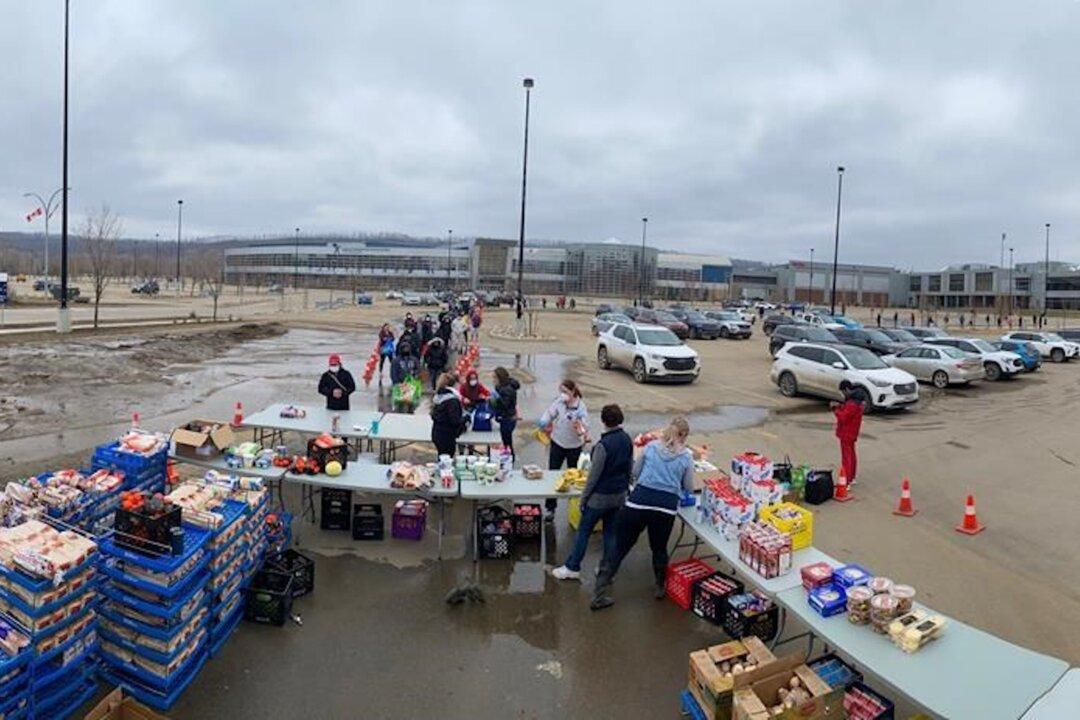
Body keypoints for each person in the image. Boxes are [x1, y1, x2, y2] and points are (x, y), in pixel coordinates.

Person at [590, 416, 694, 610]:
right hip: (665, 508)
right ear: (684, 435)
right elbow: (688, 486)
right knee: (659, 548)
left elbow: (636, 472)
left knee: (620, 547)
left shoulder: (651, 447)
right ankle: (659, 586)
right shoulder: (686, 456)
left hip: (638, 502)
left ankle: (599, 591)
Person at [552, 404, 632, 581]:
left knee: (583, 532)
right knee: (610, 533)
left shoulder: (603, 446)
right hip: (618, 496)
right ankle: (607, 570)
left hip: (600, 497)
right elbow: (629, 468)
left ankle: (573, 567)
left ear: (603, 421)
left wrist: (584, 498)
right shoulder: (627, 440)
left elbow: (593, 476)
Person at [539, 380, 589, 522]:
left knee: (574, 479)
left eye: (566, 392)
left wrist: (580, 427)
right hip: (557, 443)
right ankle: (550, 508)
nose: (563, 395)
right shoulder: (559, 402)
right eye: (561, 391)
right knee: (553, 475)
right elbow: (549, 413)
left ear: (573, 392)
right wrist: (544, 422)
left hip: (574, 447)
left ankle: (574, 507)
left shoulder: (581, 407)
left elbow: (585, 428)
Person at [831, 385, 864, 486]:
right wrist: (840, 407)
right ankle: (852, 477)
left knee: (846, 457)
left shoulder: (851, 404)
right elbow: (848, 413)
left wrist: (835, 409)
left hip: (846, 432)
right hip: (853, 432)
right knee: (852, 455)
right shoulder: (858, 404)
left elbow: (843, 417)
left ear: (847, 390)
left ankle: (846, 480)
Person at [430, 372, 464, 457]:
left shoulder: (438, 397)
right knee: (448, 458)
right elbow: (455, 420)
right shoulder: (452, 400)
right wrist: (465, 419)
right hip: (447, 435)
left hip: (437, 432)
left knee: (442, 456)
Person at [490, 366, 520, 459]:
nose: (493, 379)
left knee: (507, 441)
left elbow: (505, 405)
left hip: (507, 418)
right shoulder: (501, 387)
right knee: (506, 440)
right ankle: (508, 457)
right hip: (505, 417)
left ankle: (510, 458)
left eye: (494, 377)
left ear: (500, 377)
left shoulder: (507, 389)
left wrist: (496, 400)